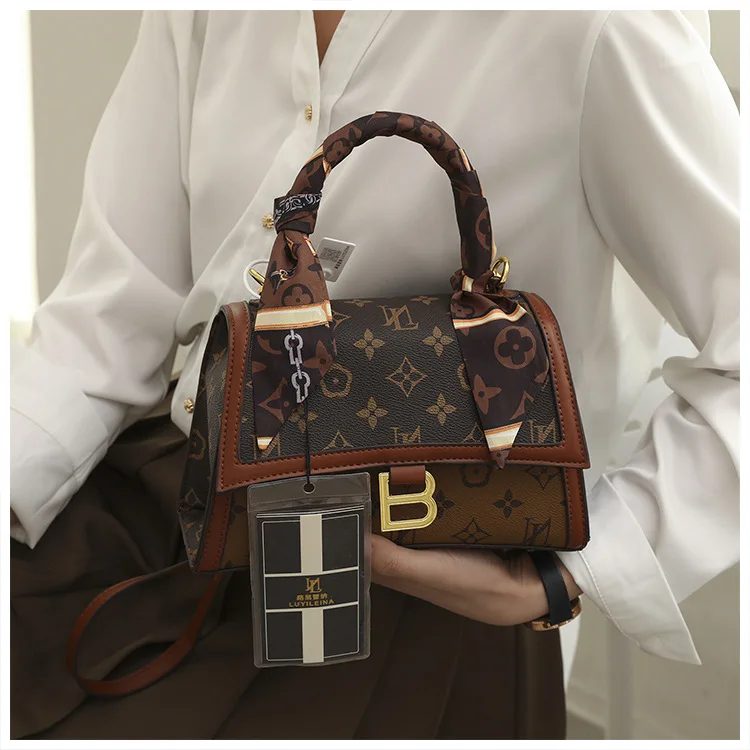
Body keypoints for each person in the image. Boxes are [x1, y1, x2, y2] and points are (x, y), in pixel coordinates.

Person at [10, 9, 738, 740]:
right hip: (188, 499)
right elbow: (109, 313)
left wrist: (568, 573)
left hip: (426, 574)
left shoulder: (597, 23)